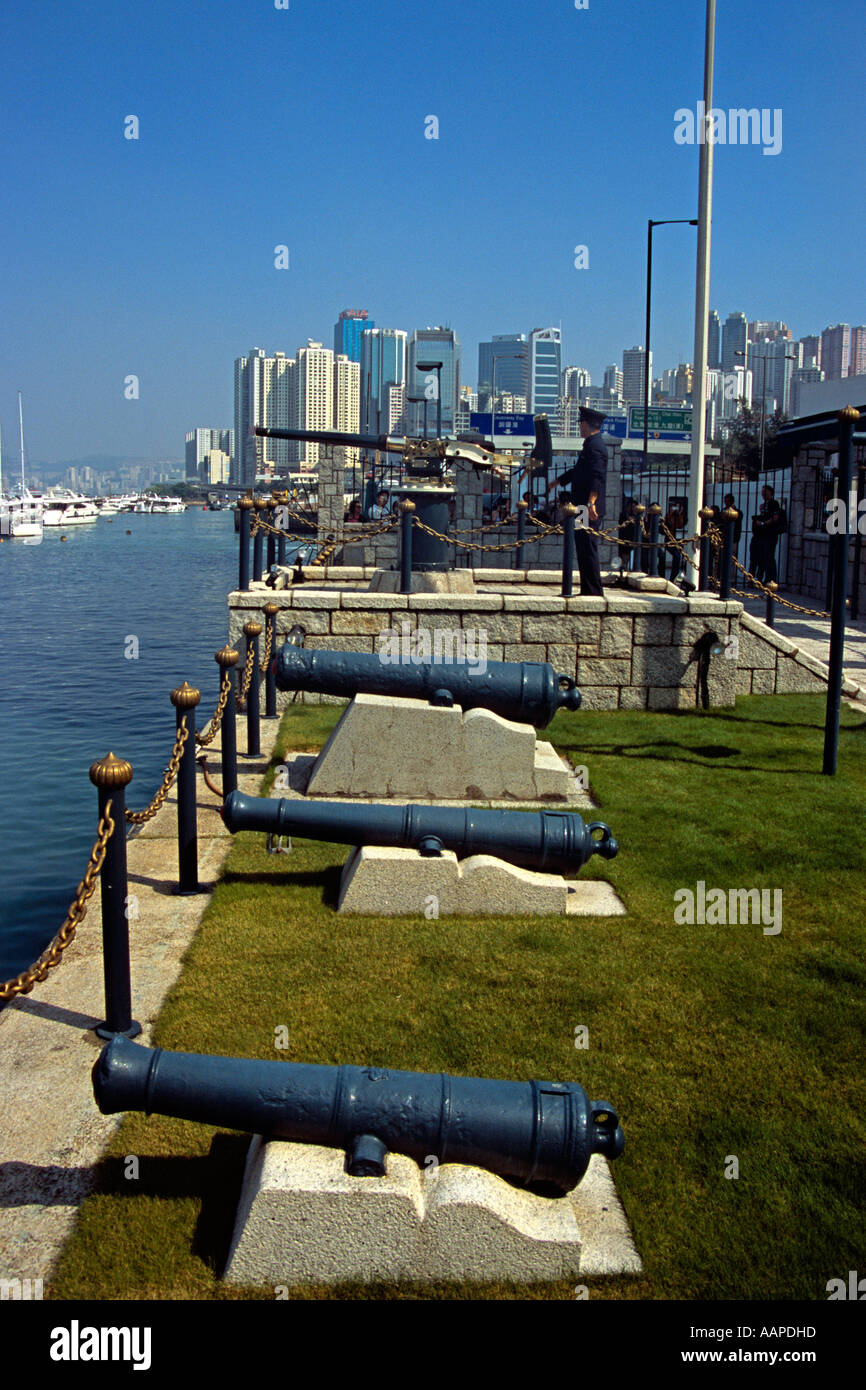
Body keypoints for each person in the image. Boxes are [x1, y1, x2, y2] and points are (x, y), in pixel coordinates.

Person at [546, 406, 607, 595]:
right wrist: (558, 481)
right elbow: (578, 472)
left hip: (587, 507)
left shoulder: (595, 446)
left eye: (580, 423)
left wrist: (591, 503)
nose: (579, 427)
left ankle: (594, 591)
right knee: (582, 547)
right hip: (581, 507)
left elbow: (597, 477)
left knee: (588, 547)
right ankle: (588, 589)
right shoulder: (590, 445)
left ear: (586, 424)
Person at [751, 485, 784, 584]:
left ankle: (771, 579)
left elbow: (775, 519)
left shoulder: (774, 504)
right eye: (762, 493)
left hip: (770, 535)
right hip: (762, 535)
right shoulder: (764, 505)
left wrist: (762, 523)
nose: (763, 495)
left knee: (769, 557)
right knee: (761, 557)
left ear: (771, 493)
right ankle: (761, 578)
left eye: (765, 493)